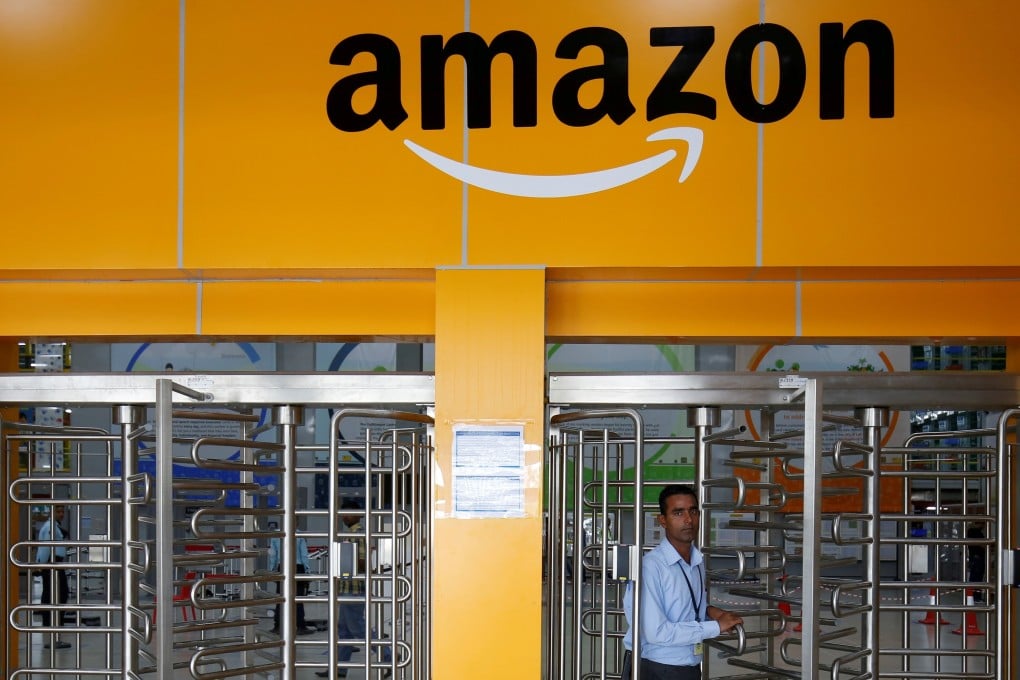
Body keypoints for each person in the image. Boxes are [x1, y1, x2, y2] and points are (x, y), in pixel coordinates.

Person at [623, 485, 743, 680]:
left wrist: (710, 611)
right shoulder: (650, 567)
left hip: (689, 666)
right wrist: (715, 627)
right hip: (657, 669)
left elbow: (682, 605)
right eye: (678, 513)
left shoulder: (696, 561)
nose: (688, 519)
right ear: (662, 520)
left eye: (693, 511)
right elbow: (656, 632)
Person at [318, 499, 391, 678]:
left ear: (358, 515)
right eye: (343, 513)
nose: (345, 516)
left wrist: (345, 559)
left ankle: (388, 656)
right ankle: (339, 668)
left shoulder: (357, 534)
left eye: (349, 513)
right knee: (343, 630)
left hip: (354, 589)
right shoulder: (347, 535)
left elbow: (362, 562)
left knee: (357, 628)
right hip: (347, 587)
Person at [36, 504, 71, 649]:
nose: (61, 513)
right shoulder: (50, 527)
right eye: (58, 511)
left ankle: (53, 631)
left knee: (56, 596)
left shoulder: (53, 526)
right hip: (52, 565)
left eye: (62, 511)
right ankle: (52, 633)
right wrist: (43, 564)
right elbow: (46, 546)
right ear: (52, 512)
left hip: (54, 564)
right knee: (58, 597)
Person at [269, 533, 316, 635]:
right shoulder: (299, 535)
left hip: (282, 567)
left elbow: (273, 554)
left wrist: (272, 569)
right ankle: (300, 626)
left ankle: (278, 626)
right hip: (297, 567)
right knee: (298, 598)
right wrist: (307, 570)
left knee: (280, 598)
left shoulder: (276, 535)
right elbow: (304, 554)